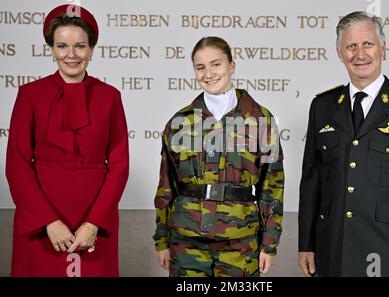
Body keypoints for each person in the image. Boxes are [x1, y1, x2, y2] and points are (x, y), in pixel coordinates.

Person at [298, 11, 389, 277]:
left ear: (383, 48)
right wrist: (306, 244)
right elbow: (311, 182)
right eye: (351, 46)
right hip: (333, 249)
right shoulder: (322, 106)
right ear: (340, 53)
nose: (360, 54)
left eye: (368, 44)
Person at [5, 4, 129, 276]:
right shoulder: (30, 95)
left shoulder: (110, 96)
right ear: (51, 49)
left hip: (95, 217)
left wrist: (93, 223)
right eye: (62, 46)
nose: (71, 55)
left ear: (92, 49)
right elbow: (17, 164)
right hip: (40, 218)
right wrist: (48, 222)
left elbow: (119, 166)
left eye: (80, 46)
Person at [153, 36, 284, 277]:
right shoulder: (179, 122)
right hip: (186, 240)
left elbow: (272, 188)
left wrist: (270, 243)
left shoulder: (260, 120)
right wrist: (161, 240)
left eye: (216, 64)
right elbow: (165, 186)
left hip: (240, 240)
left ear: (231, 66)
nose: (208, 73)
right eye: (200, 67)